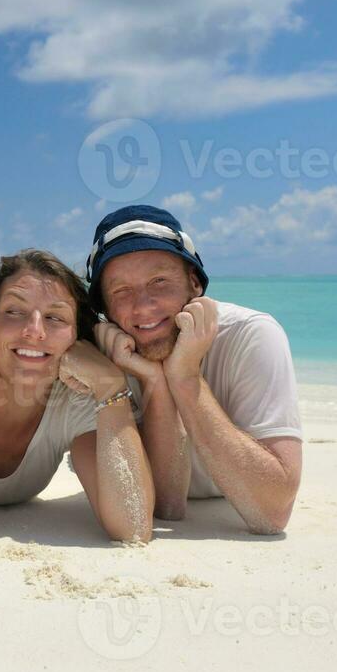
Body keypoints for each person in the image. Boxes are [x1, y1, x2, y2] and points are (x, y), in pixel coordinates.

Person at [0, 249, 155, 543]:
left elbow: (132, 526)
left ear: (77, 338)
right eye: (14, 312)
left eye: (55, 317)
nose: (34, 331)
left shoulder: (77, 401)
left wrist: (112, 387)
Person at [87, 204, 303, 535]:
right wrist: (155, 382)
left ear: (194, 283)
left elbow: (272, 514)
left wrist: (186, 378)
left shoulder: (251, 334)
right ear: (104, 308)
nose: (143, 306)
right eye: (121, 291)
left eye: (159, 281)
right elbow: (166, 507)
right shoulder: (104, 354)